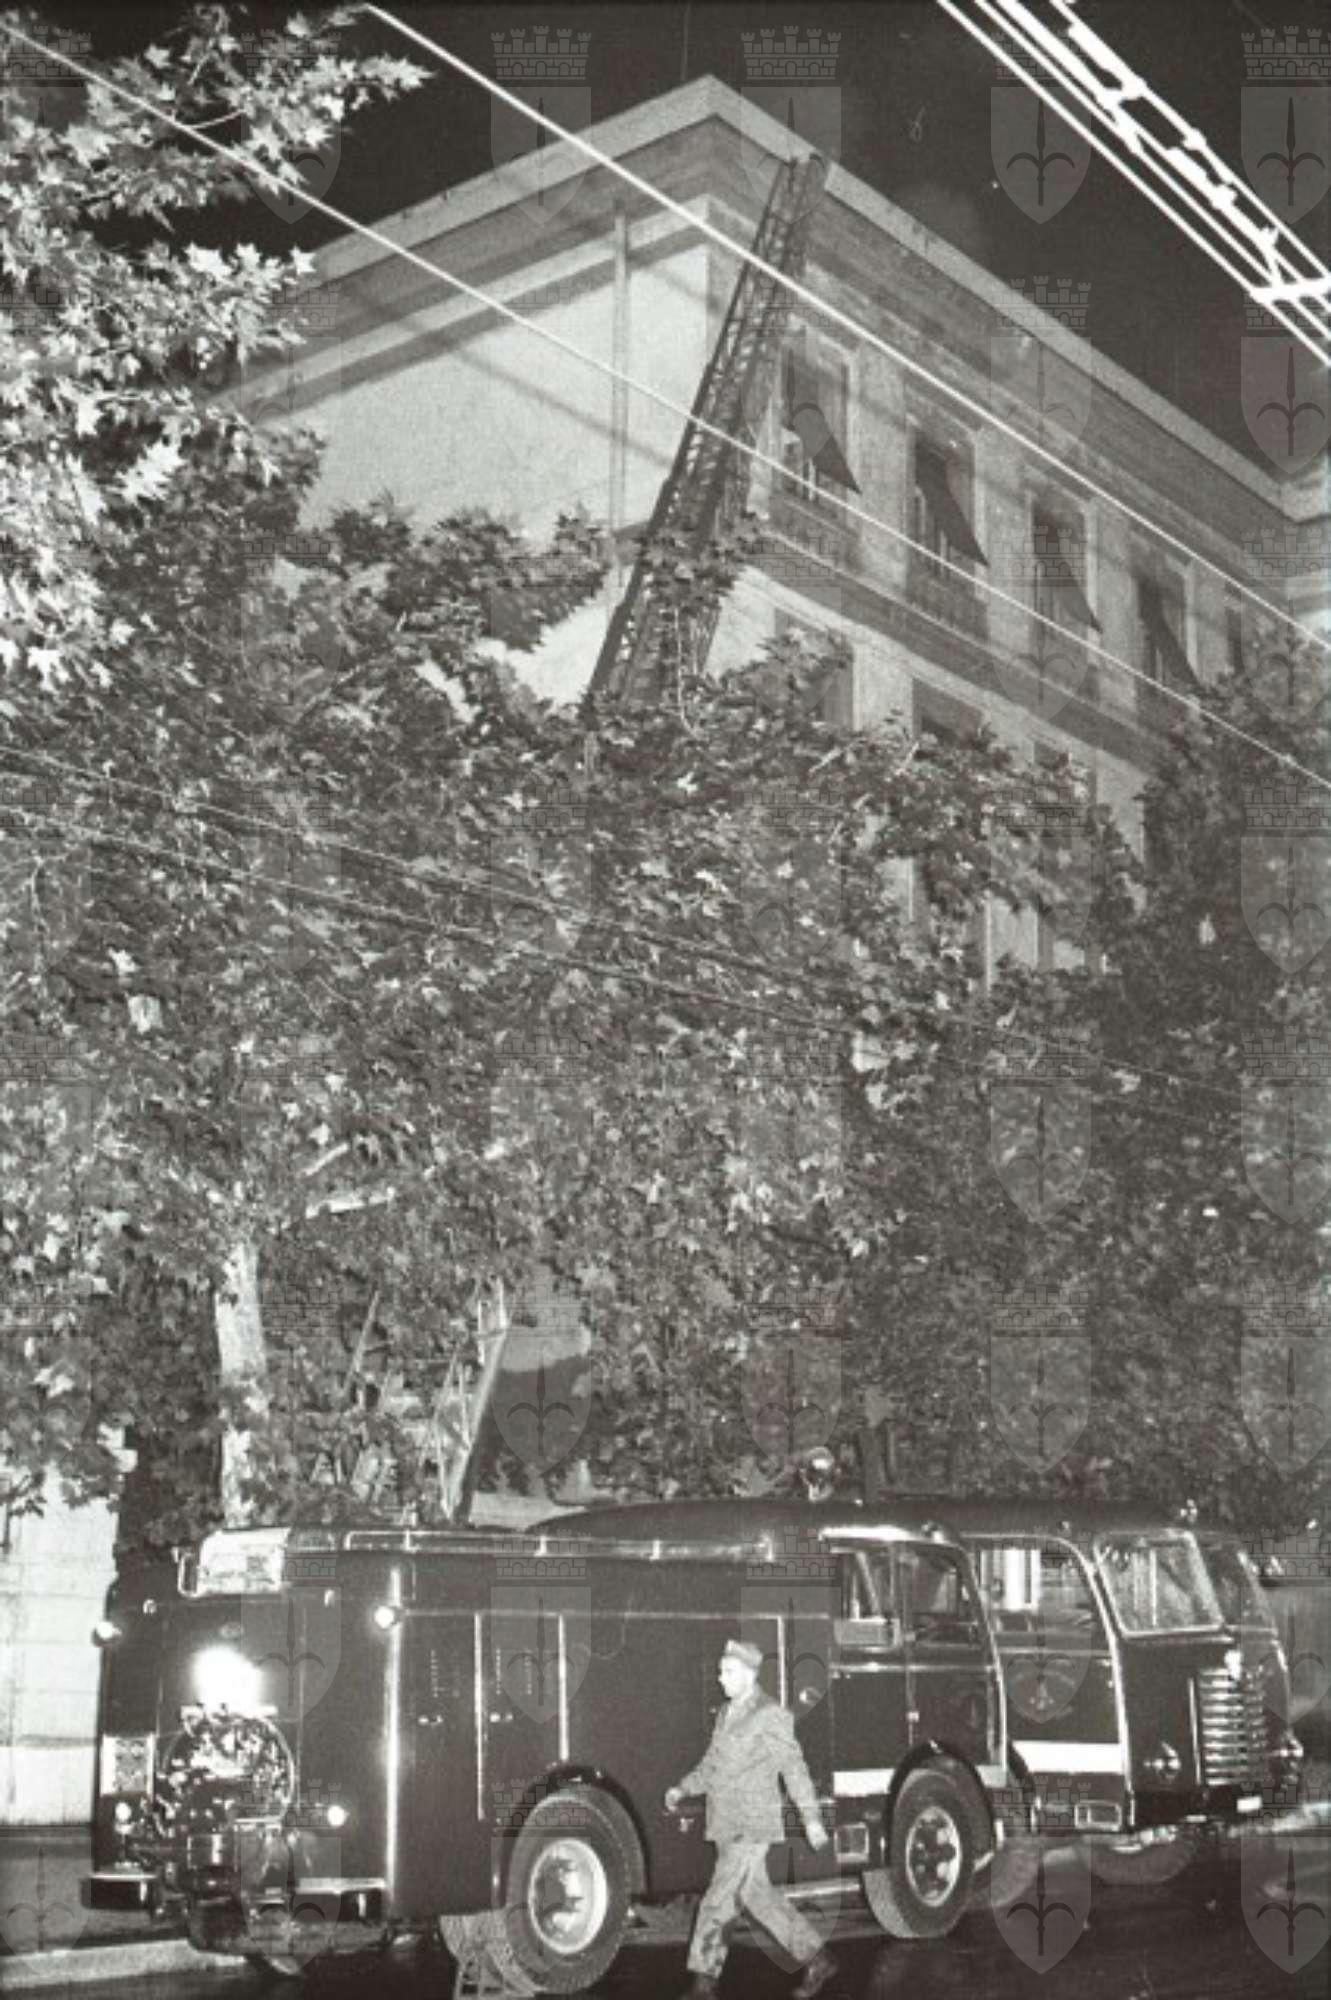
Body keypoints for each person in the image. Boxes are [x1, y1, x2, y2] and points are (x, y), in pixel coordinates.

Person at [664, 1637, 838, 2000]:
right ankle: (817, 1959)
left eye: (728, 1672)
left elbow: (793, 1767)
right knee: (758, 1898)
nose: (720, 1678)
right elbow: (713, 1765)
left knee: (718, 1899)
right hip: (726, 1822)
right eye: (720, 1671)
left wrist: (811, 1818)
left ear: (749, 1674)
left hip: (752, 1824)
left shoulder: (769, 1714)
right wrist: (683, 1787)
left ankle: (703, 1984)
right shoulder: (726, 1714)